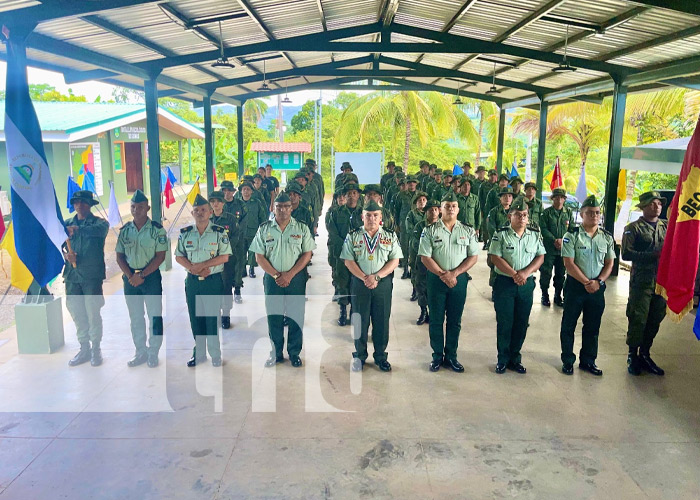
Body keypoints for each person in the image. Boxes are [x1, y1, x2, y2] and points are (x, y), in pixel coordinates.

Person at [250, 192, 316, 368]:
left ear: (291, 208)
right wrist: (277, 275)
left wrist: (290, 274)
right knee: (274, 317)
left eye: (286, 206)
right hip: (273, 279)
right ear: (273, 208)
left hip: (295, 278)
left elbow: (307, 254)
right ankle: (276, 353)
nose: (283, 210)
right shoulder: (264, 228)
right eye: (279, 207)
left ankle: (294, 353)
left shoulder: (301, 228)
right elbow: (259, 256)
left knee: (296, 316)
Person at [419, 191, 480, 372]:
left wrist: (455, 274)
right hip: (436, 280)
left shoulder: (467, 230)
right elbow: (425, 257)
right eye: (447, 206)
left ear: (458, 209)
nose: (450, 209)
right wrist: (443, 274)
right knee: (436, 320)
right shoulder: (430, 230)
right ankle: (437, 356)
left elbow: (473, 256)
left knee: (455, 321)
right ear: (440, 209)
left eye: (454, 206)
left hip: (459, 281)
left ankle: (451, 356)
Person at [341, 200, 402, 372]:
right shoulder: (353, 235)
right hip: (360, 284)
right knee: (360, 320)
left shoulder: (390, 236)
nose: (372, 219)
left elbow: (395, 260)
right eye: (368, 215)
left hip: (382, 284)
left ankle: (381, 356)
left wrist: (376, 277)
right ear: (362, 217)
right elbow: (348, 260)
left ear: (381, 217)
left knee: (381, 320)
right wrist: (364, 278)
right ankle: (359, 356)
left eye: (375, 215)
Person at [488, 198, 545, 374]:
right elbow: (495, 257)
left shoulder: (535, 234)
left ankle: (515, 357)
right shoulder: (501, 233)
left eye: (524, 215)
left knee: (521, 322)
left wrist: (525, 274)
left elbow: (540, 257)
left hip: (526, 284)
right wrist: (515, 274)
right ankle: (502, 359)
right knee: (505, 322)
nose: (522, 218)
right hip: (505, 283)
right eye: (518, 215)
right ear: (509, 216)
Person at [559, 195, 615, 376]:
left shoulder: (606, 237)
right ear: (582, 214)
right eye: (590, 213)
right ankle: (568, 360)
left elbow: (609, 264)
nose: (594, 216)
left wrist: (598, 282)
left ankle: (588, 361)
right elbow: (569, 263)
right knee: (569, 325)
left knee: (592, 326)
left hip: (597, 288)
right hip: (576, 287)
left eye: (597, 213)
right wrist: (586, 282)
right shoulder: (572, 235)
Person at [175, 194, 232, 367]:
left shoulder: (219, 233)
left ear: (210, 213)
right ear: (192, 213)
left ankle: (215, 354)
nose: (200, 213)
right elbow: (178, 256)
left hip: (212, 281)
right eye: (196, 210)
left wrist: (203, 265)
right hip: (192, 281)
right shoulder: (185, 233)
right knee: (195, 318)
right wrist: (193, 268)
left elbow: (225, 256)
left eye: (203, 210)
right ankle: (198, 353)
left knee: (212, 318)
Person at [115, 190, 167, 368]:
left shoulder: (156, 230)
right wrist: (131, 276)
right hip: (130, 280)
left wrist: (142, 275)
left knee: (155, 316)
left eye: (140, 207)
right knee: (135, 317)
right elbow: (119, 257)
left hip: (150, 278)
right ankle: (140, 351)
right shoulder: (125, 231)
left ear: (148, 208)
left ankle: (153, 352)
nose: (136, 210)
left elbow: (160, 256)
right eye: (133, 207)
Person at [622, 191, 667, 376]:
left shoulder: (666, 227)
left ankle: (645, 353)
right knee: (638, 318)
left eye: (659, 203)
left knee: (655, 317)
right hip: (642, 281)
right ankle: (633, 354)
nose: (656, 207)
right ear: (643, 207)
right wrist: (652, 256)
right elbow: (626, 253)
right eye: (652, 204)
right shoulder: (633, 228)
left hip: (662, 281)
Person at [64, 190, 109, 367]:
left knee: (92, 313)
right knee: (77, 313)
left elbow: (98, 232)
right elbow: (58, 245)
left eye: (83, 202)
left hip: (91, 277)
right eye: (76, 202)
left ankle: (96, 348)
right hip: (72, 277)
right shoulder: (66, 224)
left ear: (90, 205)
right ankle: (84, 348)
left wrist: (77, 229)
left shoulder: (99, 224)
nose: (79, 205)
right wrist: (67, 256)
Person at [329, 183, 362, 325]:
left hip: (359, 255)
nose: (351, 196)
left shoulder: (363, 213)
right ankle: (343, 310)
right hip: (341, 253)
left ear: (358, 195)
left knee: (357, 282)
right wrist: (345, 246)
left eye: (354, 193)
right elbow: (332, 232)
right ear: (344, 196)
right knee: (342, 281)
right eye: (348, 193)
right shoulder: (336, 212)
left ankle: (354, 310)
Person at [209, 190, 242, 325]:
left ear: (223, 203)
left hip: (226, 259)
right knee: (212, 287)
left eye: (218, 201)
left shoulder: (230, 219)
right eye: (212, 202)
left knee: (226, 286)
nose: (215, 204)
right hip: (209, 260)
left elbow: (235, 237)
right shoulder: (206, 219)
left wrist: (224, 251)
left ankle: (226, 314)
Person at [539, 188, 574, 307]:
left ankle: (558, 295)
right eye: (556, 197)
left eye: (561, 198)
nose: (559, 200)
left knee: (560, 274)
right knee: (546, 272)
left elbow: (572, 230)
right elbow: (543, 229)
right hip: (549, 248)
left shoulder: (568, 213)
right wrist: (554, 240)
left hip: (563, 250)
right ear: (553, 199)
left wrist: (563, 241)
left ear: (564, 200)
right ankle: (545, 295)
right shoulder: (546, 213)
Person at [411, 199, 440, 325]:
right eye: (430, 210)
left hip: (438, 263)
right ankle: (423, 311)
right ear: (425, 212)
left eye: (435, 209)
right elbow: (415, 244)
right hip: (422, 261)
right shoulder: (419, 226)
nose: (433, 212)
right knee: (421, 287)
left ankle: (434, 313)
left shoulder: (443, 226)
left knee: (436, 289)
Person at [220, 181, 245, 303]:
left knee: (238, 265)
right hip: (220, 243)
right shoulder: (218, 205)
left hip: (237, 240)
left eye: (229, 190)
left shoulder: (240, 204)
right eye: (224, 190)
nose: (226, 193)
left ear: (233, 192)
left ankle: (238, 288)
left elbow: (244, 220)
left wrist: (235, 239)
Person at [239, 181, 268, 279]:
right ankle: (243, 270)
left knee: (252, 251)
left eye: (248, 189)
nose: (246, 191)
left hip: (253, 231)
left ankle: (251, 269)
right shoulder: (237, 203)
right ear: (241, 192)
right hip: (240, 232)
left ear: (252, 192)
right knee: (241, 252)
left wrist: (263, 229)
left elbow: (262, 216)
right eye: (244, 190)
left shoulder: (257, 203)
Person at [326, 187, 347, 301]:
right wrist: (342, 243)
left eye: (344, 196)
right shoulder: (331, 212)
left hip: (348, 246)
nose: (341, 199)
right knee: (335, 268)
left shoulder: (352, 212)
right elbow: (331, 229)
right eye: (339, 197)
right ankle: (337, 289)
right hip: (335, 245)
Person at [405, 191, 428, 284]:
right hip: (415, 244)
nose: (422, 202)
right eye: (419, 200)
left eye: (424, 200)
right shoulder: (411, 214)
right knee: (414, 267)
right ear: (416, 203)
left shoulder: (429, 213)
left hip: (427, 245)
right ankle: (415, 289)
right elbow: (410, 230)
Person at [396, 175, 418, 270]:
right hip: (404, 223)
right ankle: (405, 267)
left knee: (415, 246)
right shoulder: (401, 195)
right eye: (409, 183)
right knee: (404, 246)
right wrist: (397, 224)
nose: (411, 184)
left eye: (413, 182)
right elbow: (396, 211)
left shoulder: (420, 195)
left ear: (416, 184)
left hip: (416, 223)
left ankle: (414, 267)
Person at [479, 169, 499, 248]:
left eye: (494, 175)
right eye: (491, 175)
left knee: (494, 226)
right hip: (486, 208)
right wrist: (481, 209)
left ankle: (492, 242)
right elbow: (480, 198)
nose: (492, 177)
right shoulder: (483, 185)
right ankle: (485, 242)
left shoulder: (497, 186)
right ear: (489, 176)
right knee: (485, 226)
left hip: (496, 209)